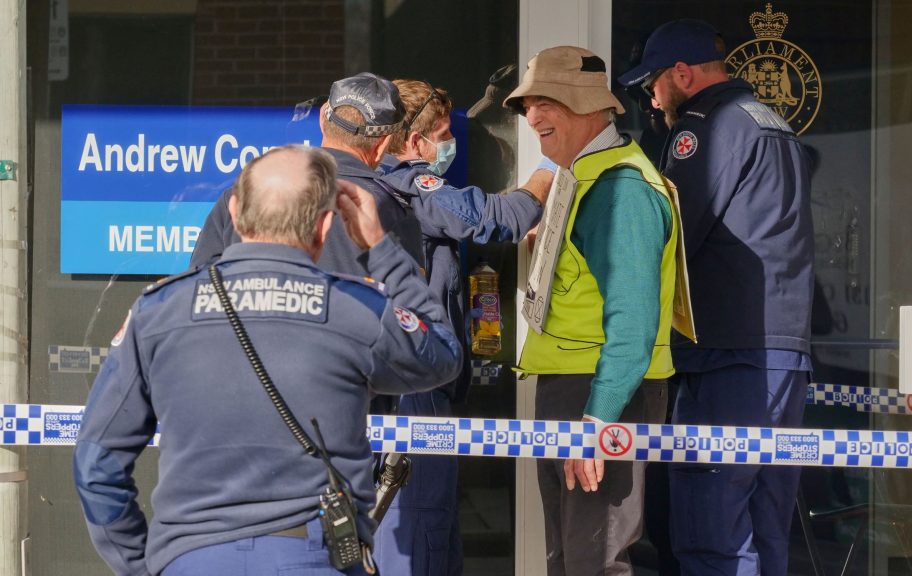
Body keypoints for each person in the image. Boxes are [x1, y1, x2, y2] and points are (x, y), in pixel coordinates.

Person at [73, 145, 462, 576]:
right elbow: (441, 353)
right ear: (325, 226)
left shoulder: (158, 312)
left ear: (235, 214)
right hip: (313, 556)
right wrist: (380, 248)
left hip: (192, 557)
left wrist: (142, 567)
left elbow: (97, 465)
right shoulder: (357, 309)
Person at [619, 19, 815, 576]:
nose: (652, 103)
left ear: (681, 74)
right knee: (765, 525)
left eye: (652, 86)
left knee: (713, 533)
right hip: (781, 351)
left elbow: (673, 234)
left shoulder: (706, 127)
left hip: (728, 355)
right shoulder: (773, 122)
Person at [505, 46, 683, 576]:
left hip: (602, 392)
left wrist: (598, 418)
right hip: (578, 385)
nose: (533, 116)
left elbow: (633, 316)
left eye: (547, 101)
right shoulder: (590, 175)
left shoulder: (620, 186)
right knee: (570, 558)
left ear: (590, 108)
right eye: (528, 104)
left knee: (596, 561)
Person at [372, 79, 554, 575]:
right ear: (413, 142)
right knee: (419, 533)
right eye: (442, 133)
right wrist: (551, 168)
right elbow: (493, 218)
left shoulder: (387, 189)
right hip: (416, 391)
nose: (448, 144)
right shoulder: (410, 186)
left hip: (419, 383)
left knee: (432, 530)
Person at [190, 72, 424, 275]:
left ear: (322, 118)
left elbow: (198, 286)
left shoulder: (243, 194)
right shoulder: (395, 209)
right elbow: (410, 310)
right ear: (384, 143)